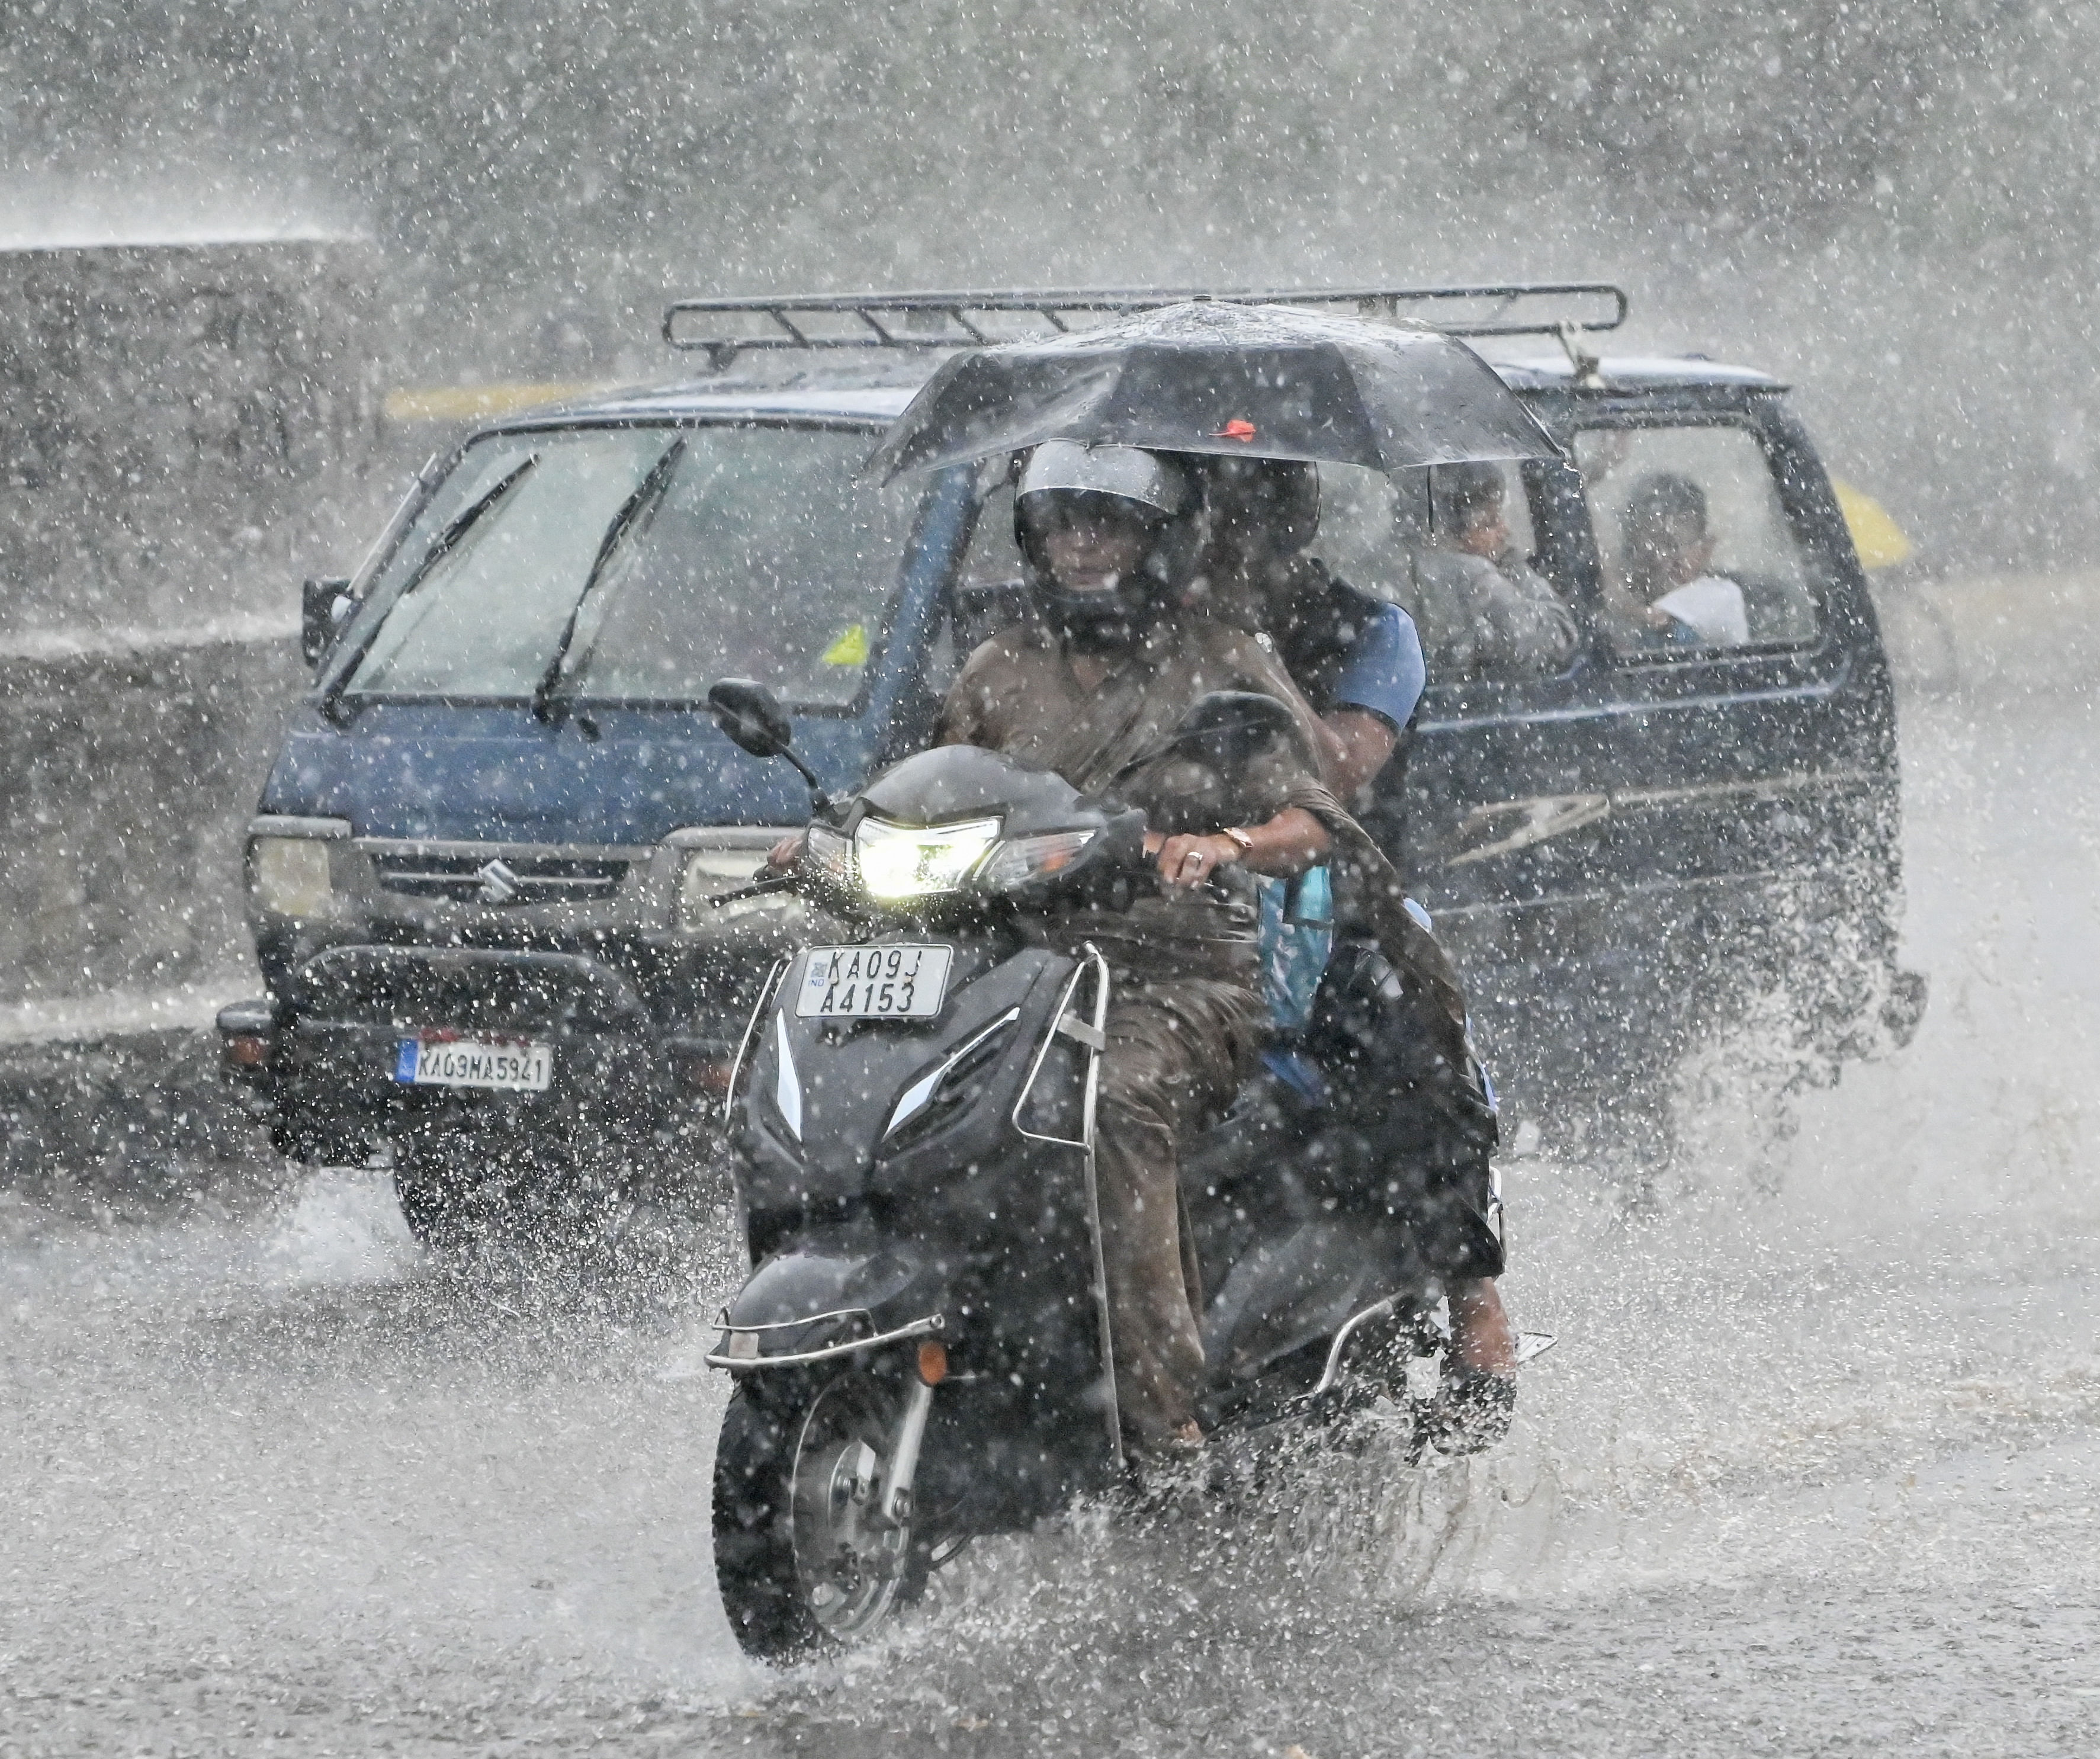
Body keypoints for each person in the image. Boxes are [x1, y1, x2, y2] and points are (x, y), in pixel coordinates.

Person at [936, 440, 1346, 1461]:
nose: (1081, 541)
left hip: (1177, 976)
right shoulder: (996, 673)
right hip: (1016, 968)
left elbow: (1317, 822)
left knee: (1108, 1096)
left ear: (1155, 538)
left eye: (1106, 519)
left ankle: (1165, 1420)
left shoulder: (1222, 661)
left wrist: (1225, 842)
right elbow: (931, 794)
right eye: (1061, 519)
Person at [1197, 458, 1517, 1425]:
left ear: (1292, 536)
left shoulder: (1376, 631)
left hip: (1339, 900)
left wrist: (1253, 662)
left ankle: (1477, 1310)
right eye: (1209, 530)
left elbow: (1340, 763)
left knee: (1408, 1036)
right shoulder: (1146, 630)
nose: (1224, 554)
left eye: (1246, 532)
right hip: (1177, 890)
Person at [1401, 460, 1578, 681]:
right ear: (1444, 535)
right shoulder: (1474, 576)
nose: (1504, 531)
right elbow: (1559, 635)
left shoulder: (1403, 571)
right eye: (1489, 523)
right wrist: (1511, 567)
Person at [1609, 471, 1749, 649]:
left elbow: (1654, 622)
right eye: (1646, 549)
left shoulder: (1720, 596)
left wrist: (1614, 598)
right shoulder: (1634, 597)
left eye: (1673, 547)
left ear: (1706, 549)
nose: (1659, 559)